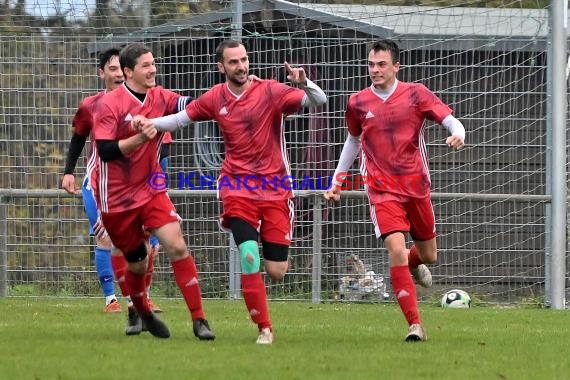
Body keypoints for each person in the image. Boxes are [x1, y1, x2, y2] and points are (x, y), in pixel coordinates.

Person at [133, 39, 327, 344]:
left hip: (275, 190)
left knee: (276, 271)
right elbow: (181, 120)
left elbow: (318, 100)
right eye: (234, 62)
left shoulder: (271, 91)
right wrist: (150, 122)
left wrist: (305, 83)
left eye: (244, 60)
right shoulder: (215, 98)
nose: (242, 66)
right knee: (249, 256)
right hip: (237, 189)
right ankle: (265, 328)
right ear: (221, 67)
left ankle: (269, 252)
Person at [324, 39, 465, 342]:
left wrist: (458, 134)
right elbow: (353, 141)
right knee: (396, 250)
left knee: (428, 255)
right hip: (381, 189)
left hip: (416, 186)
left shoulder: (416, 94)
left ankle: (416, 264)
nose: (374, 70)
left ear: (396, 66)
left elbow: (450, 120)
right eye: (371, 65)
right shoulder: (358, 103)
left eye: (381, 64)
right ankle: (415, 325)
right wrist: (337, 181)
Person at [91, 43, 215, 340]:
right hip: (117, 198)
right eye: (146, 65)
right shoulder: (109, 104)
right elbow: (106, 151)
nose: (153, 69)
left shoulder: (160, 97)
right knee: (137, 262)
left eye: (154, 63)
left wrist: (218, 100)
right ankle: (141, 311)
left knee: (177, 245)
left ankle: (200, 320)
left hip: (151, 189)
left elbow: (189, 106)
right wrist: (138, 138)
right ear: (128, 71)